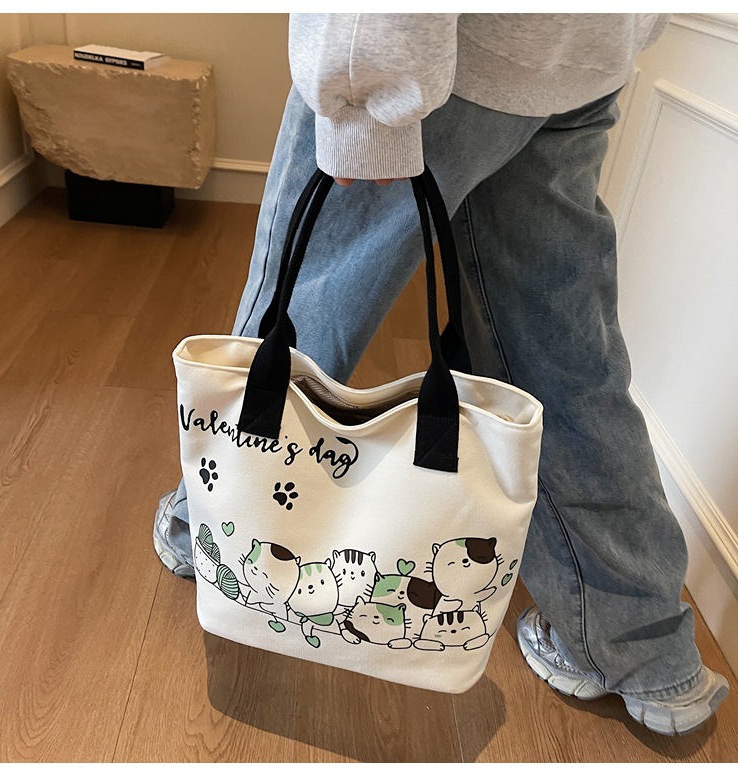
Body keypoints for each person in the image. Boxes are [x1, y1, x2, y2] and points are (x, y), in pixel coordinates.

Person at [153, 13, 729, 736]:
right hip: (585, 50)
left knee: (304, 312)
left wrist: (362, 85)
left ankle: (214, 532)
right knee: (564, 352)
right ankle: (643, 649)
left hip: (435, 52)